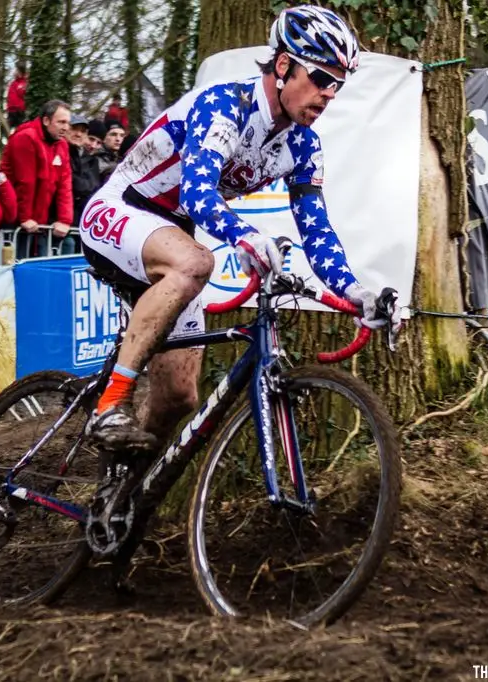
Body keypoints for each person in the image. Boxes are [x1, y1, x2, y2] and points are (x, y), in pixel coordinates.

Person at [78, 6, 393, 455]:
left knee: (180, 395)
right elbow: (197, 193)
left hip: (171, 233)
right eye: (322, 78)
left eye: (338, 85)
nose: (329, 95)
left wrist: (356, 293)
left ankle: (123, 495)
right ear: (284, 65)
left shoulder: (304, 145)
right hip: (122, 208)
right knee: (196, 262)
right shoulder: (225, 104)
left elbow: (317, 231)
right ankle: (110, 404)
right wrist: (246, 236)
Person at [0, 100, 73, 258]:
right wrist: (25, 217)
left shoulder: (61, 145)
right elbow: (25, 182)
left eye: (67, 123)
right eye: (61, 122)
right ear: (46, 121)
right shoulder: (25, 138)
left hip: (38, 222)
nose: (66, 127)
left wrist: (65, 220)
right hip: (17, 219)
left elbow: (65, 185)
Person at [6, 64, 28, 130]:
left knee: (20, 129)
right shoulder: (13, 83)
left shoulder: (24, 83)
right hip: (11, 110)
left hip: (19, 111)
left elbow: (23, 94)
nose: (15, 72)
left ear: (21, 72)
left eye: (17, 71)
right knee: (8, 129)